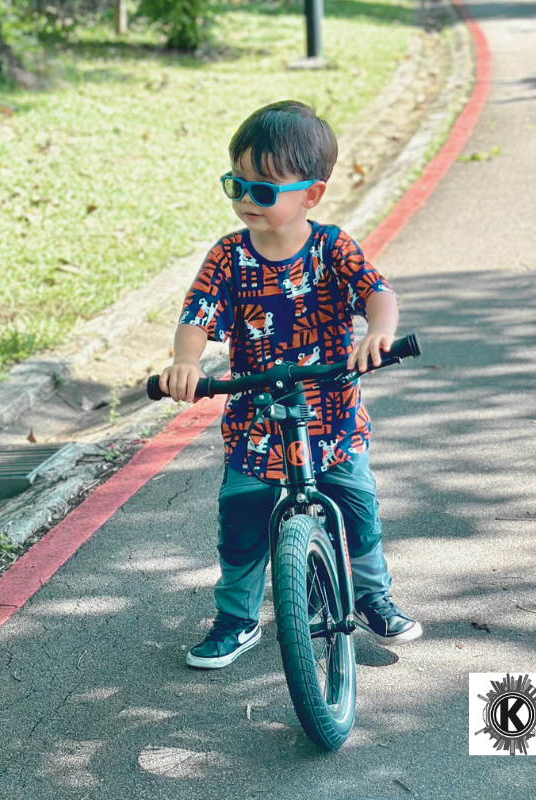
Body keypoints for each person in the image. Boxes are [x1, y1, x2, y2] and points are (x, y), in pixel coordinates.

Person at [159, 100, 422, 669]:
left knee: (357, 506)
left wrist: (377, 333)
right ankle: (236, 618)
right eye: (237, 184)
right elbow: (197, 316)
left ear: (312, 194)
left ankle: (374, 597)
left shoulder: (331, 248)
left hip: (332, 416)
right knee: (243, 520)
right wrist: (185, 363)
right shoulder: (229, 257)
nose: (245, 200)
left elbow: (378, 292)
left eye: (263, 189)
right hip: (257, 421)